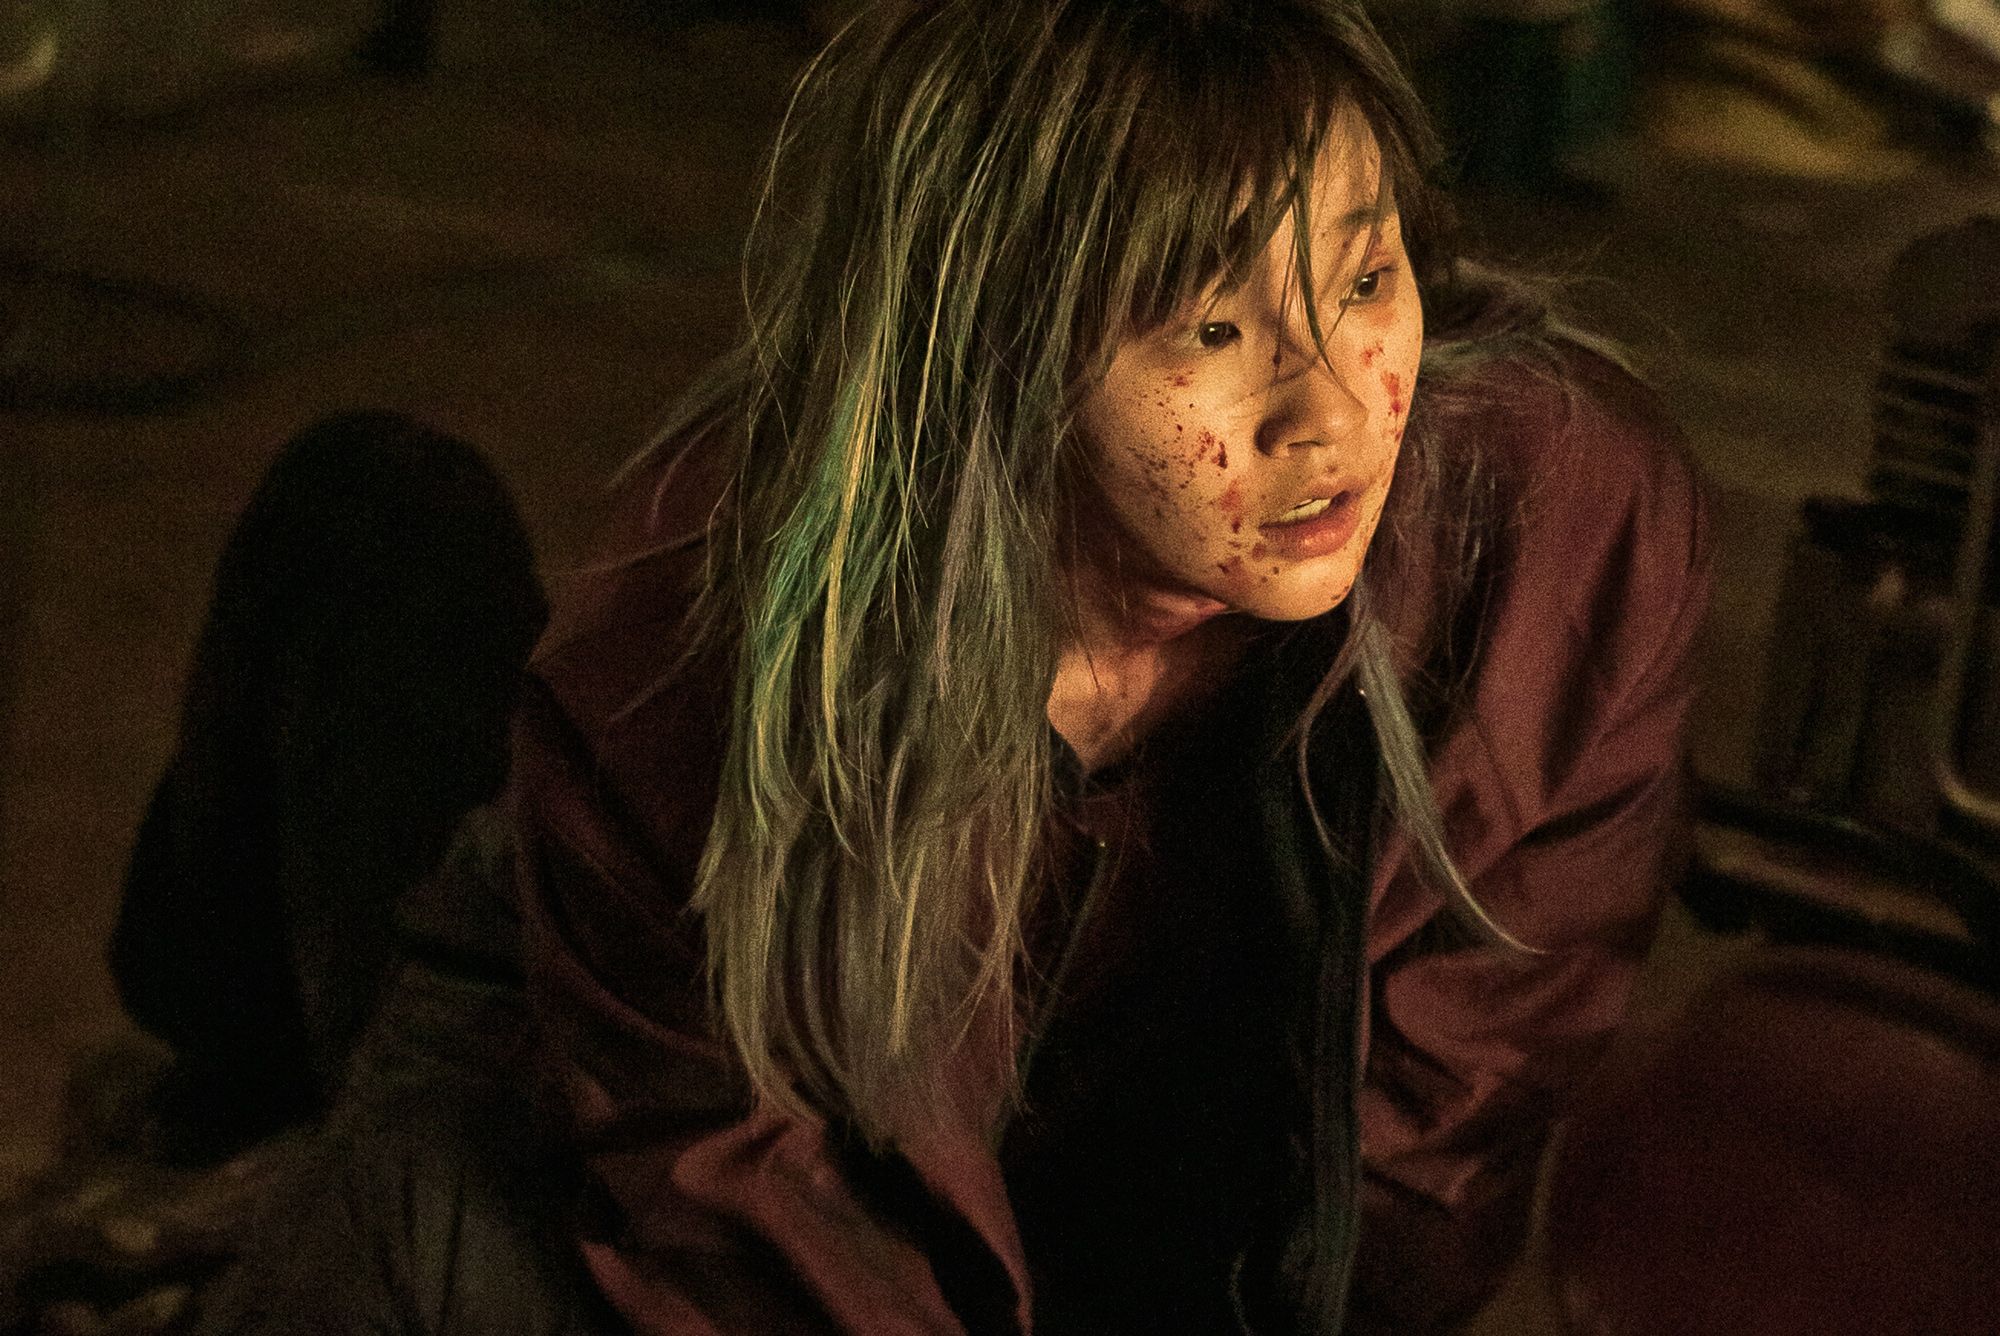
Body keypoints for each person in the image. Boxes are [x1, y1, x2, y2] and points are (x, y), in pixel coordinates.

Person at [509, 1, 1711, 1333]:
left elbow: (1436, 1156)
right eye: (1212, 330)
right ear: (993, 351)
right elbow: (751, 1230)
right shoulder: (699, 663)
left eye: (1365, 282)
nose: (1328, 413)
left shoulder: (1557, 537)